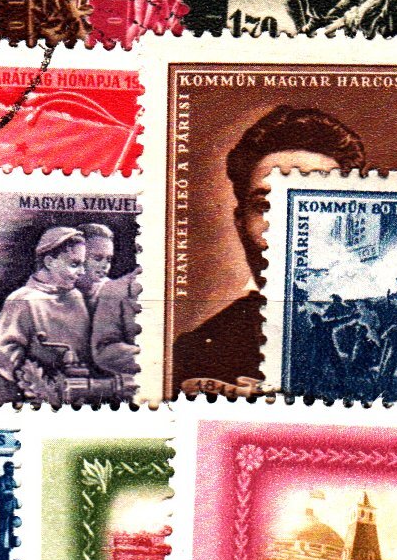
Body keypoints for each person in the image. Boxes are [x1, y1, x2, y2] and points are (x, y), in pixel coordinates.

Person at [174, 105, 366, 390]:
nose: (291, 227)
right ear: (240, 224)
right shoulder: (199, 353)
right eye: (266, 205)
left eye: (316, 205)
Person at [0, 226, 100, 402]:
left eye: (82, 264)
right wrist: (40, 384)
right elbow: (3, 353)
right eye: (74, 264)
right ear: (49, 262)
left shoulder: (76, 297)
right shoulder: (23, 300)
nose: (82, 272)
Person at [84, 222, 143, 388]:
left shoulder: (114, 291)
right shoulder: (56, 296)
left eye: (108, 259)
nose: (104, 265)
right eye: (97, 258)